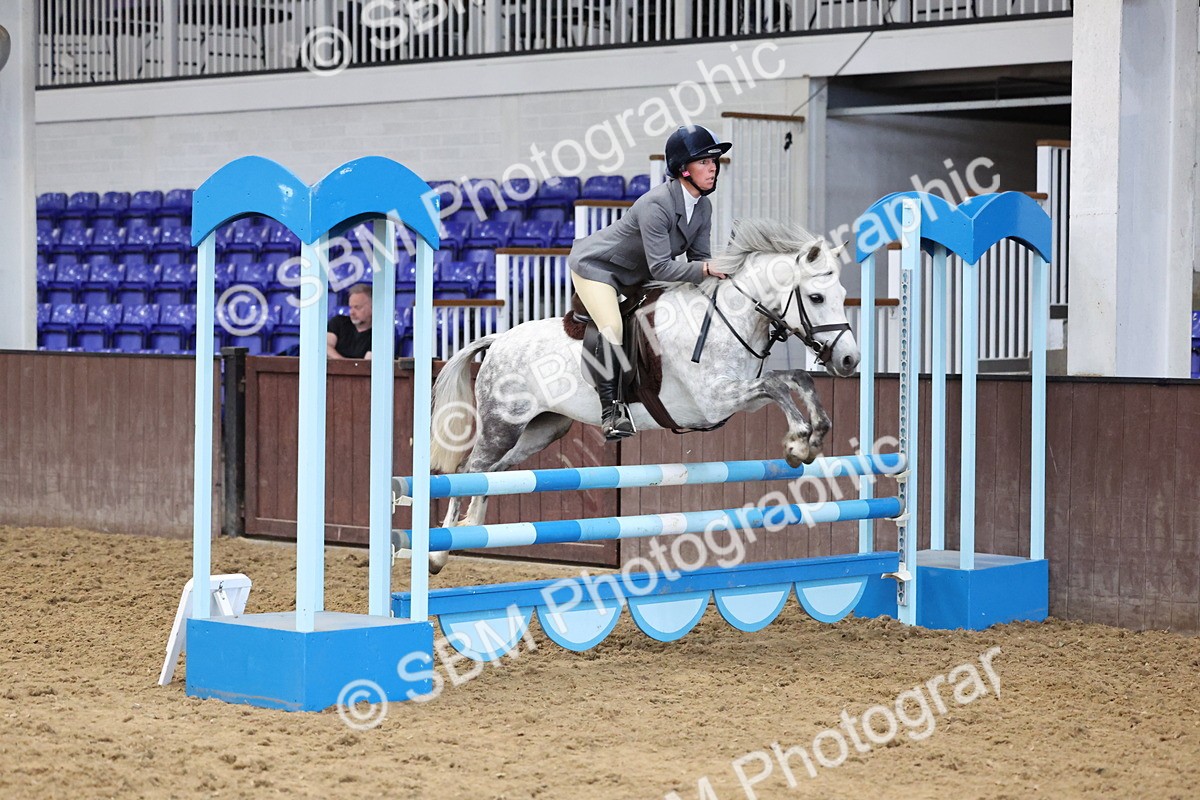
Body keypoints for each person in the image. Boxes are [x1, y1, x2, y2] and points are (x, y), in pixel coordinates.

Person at [567, 124, 733, 441]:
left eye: (714, 161)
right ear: (683, 170)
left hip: (638, 275)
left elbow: (699, 258)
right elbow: (662, 267)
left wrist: (720, 282)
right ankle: (611, 411)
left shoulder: (704, 207)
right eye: (704, 162)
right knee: (613, 327)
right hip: (599, 268)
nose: (712, 168)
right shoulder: (656, 204)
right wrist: (708, 270)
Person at [327, 283, 374, 360]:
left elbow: (366, 366)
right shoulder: (338, 322)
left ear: (372, 307)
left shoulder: (379, 334)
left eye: (357, 307)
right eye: (350, 307)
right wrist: (344, 365)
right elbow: (325, 347)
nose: (352, 312)